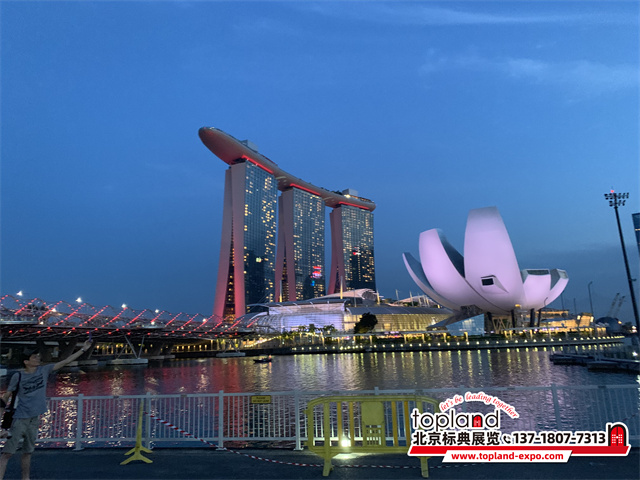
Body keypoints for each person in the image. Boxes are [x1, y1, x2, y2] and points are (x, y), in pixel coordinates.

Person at [0, 339, 92, 480]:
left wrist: (83, 349)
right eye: (34, 357)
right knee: (7, 453)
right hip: (19, 419)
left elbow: (65, 361)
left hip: (34, 418)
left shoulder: (44, 370)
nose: (38, 358)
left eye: (37, 356)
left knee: (28, 452)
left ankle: (26, 478)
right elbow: (6, 397)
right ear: (26, 362)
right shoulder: (18, 376)